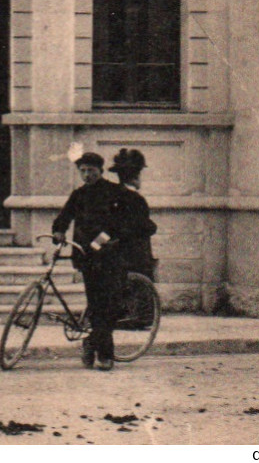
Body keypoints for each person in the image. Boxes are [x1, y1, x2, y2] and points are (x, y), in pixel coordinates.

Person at [52, 151, 129, 370]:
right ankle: (101, 351)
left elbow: (120, 224)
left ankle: (95, 346)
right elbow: (64, 217)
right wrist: (59, 231)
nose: (87, 175)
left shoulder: (115, 193)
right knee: (98, 305)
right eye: (83, 171)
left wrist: (104, 242)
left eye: (91, 171)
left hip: (109, 256)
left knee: (108, 305)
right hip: (86, 257)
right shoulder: (78, 195)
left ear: (100, 171)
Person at [110, 149, 158, 280]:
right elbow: (144, 227)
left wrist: (94, 247)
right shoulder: (137, 199)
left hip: (115, 260)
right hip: (136, 259)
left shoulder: (111, 196)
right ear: (136, 176)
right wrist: (153, 226)